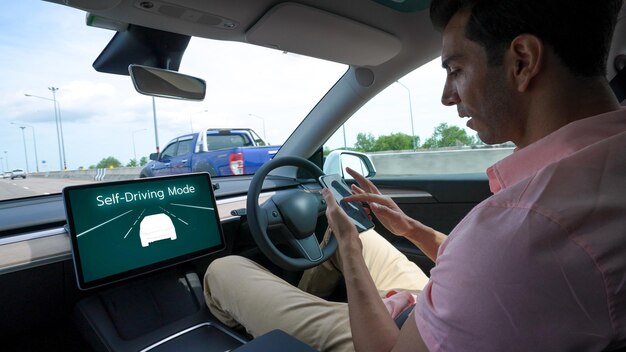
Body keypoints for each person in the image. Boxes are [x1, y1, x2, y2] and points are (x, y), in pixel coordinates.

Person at [204, 0, 626, 350]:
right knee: (367, 235)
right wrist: (407, 228)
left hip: (393, 340)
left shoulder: (521, 226)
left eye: (456, 69)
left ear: (522, 61)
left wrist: (350, 253)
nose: (447, 97)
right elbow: (492, 271)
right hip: (452, 313)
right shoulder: (594, 177)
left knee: (225, 272)